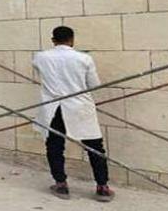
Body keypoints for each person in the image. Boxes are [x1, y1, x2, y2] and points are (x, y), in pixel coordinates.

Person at [32, 26, 114, 202]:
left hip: (53, 108)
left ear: (53, 40)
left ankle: (61, 184)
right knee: (94, 147)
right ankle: (102, 187)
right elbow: (94, 84)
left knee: (54, 146)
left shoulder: (40, 57)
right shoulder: (84, 58)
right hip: (79, 107)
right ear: (72, 40)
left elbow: (41, 77)